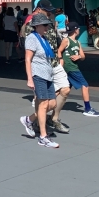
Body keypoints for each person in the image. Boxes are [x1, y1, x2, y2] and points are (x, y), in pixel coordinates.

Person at [20, 12, 60, 148]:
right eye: (44, 25)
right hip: (38, 75)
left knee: (52, 103)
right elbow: (28, 59)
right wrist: (29, 79)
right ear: (37, 26)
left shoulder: (44, 39)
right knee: (43, 105)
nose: (47, 27)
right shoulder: (32, 38)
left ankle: (29, 119)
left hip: (48, 75)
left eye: (47, 25)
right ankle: (43, 136)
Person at [59, 22, 99, 117]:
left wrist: (78, 56)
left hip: (73, 67)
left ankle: (51, 105)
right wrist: (61, 62)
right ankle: (87, 109)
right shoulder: (66, 40)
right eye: (78, 29)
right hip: (70, 67)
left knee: (65, 89)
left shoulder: (78, 42)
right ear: (76, 30)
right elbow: (59, 51)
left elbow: (83, 56)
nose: (79, 30)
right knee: (85, 85)